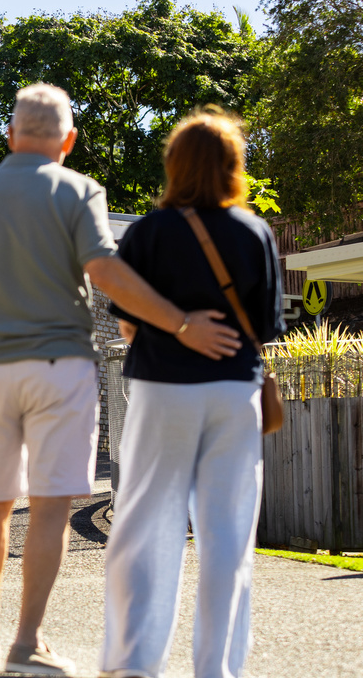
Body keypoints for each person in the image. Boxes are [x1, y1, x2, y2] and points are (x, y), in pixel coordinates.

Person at [0, 84, 241, 675]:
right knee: (48, 508)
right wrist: (178, 323)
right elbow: (104, 272)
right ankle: (26, 643)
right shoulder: (78, 191)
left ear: (11, 135)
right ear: (67, 140)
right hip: (60, 369)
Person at [99, 109, 284, 678]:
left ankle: (134, 663)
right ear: (234, 166)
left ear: (174, 165)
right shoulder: (254, 232)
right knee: (228, 535)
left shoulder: (150, 232)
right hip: (233, 394)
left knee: (147, 523)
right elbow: (264, 328)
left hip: (162, 389)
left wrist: (173, 328)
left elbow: (127, 320)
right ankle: (217, 670)